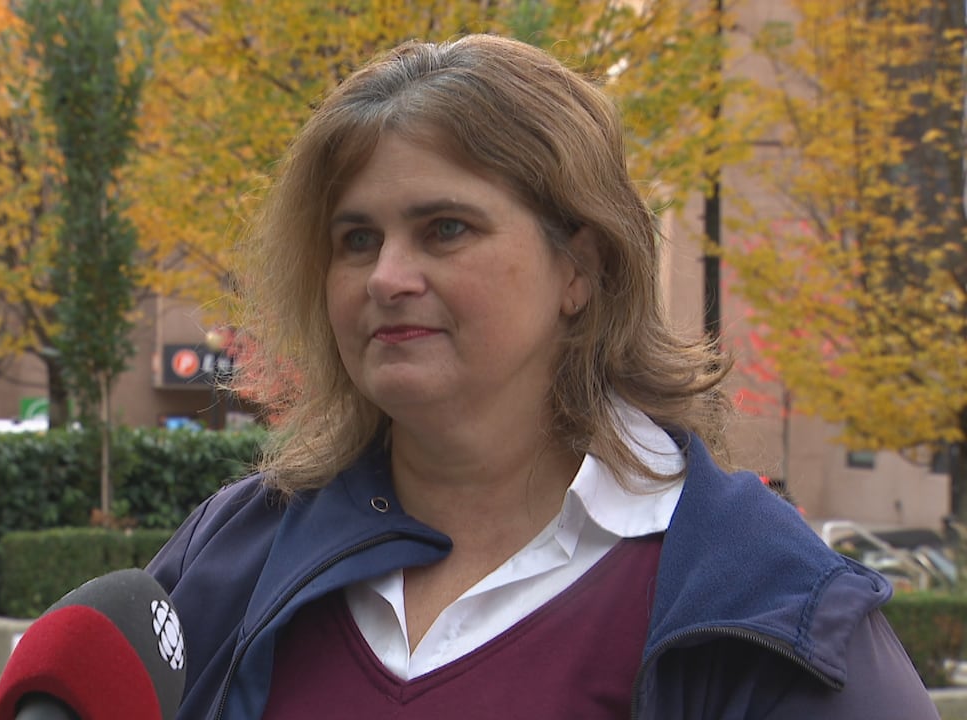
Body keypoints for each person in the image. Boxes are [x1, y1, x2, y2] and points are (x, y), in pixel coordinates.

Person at [146, 34, 937, 719]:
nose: (385, 276)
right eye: (356, 239)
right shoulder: (231, 555)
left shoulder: (775, 607)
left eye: (444, 229)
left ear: (580, 268)